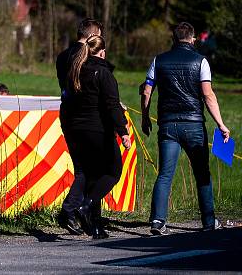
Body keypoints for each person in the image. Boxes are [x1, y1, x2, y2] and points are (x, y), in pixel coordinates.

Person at [141, 22, 231, 235]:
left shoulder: (158, 60)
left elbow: (146, 92)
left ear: (174, 39)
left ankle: (157, 221)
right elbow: (208, 95)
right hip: (194, 126)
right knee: (202, 174)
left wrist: (145, 118)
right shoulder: (201, 61)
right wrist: (221, 124)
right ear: (192, 39)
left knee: (165, 174)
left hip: (168, 125)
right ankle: (209, 222)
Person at [65, 34, 131, 239]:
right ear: (102, 52)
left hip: (76, 130)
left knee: (93, 177)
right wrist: (123, 132)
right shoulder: (103, 73)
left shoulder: (75, 70)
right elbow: (111, 105)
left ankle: (95, 228)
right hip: (98, 130)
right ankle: (87, 205)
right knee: (113, 172)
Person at [56, 18, 103, 235]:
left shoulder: (62, 56)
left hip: (67, 115)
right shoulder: (87, 56)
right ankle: (72, 210)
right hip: (87, 117)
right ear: (93, 36)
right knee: (91, 170)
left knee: (83, 168)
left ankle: (84, 217)